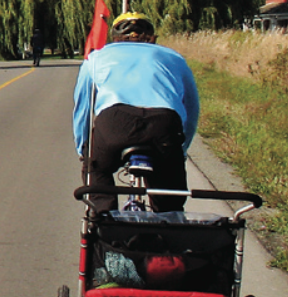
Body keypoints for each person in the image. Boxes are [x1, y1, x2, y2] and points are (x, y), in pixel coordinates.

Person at [73, 12, 199, 213]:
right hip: (164, 125)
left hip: (115, 123)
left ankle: (103, 220)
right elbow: (191, 108)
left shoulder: (95, 58)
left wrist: (83, 151)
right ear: (151, 38)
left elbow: (83, 109)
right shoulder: (174, 57)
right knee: (170, 198)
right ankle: (169, 225)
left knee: (97, 171)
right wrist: (180, 150)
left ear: (115, 39)